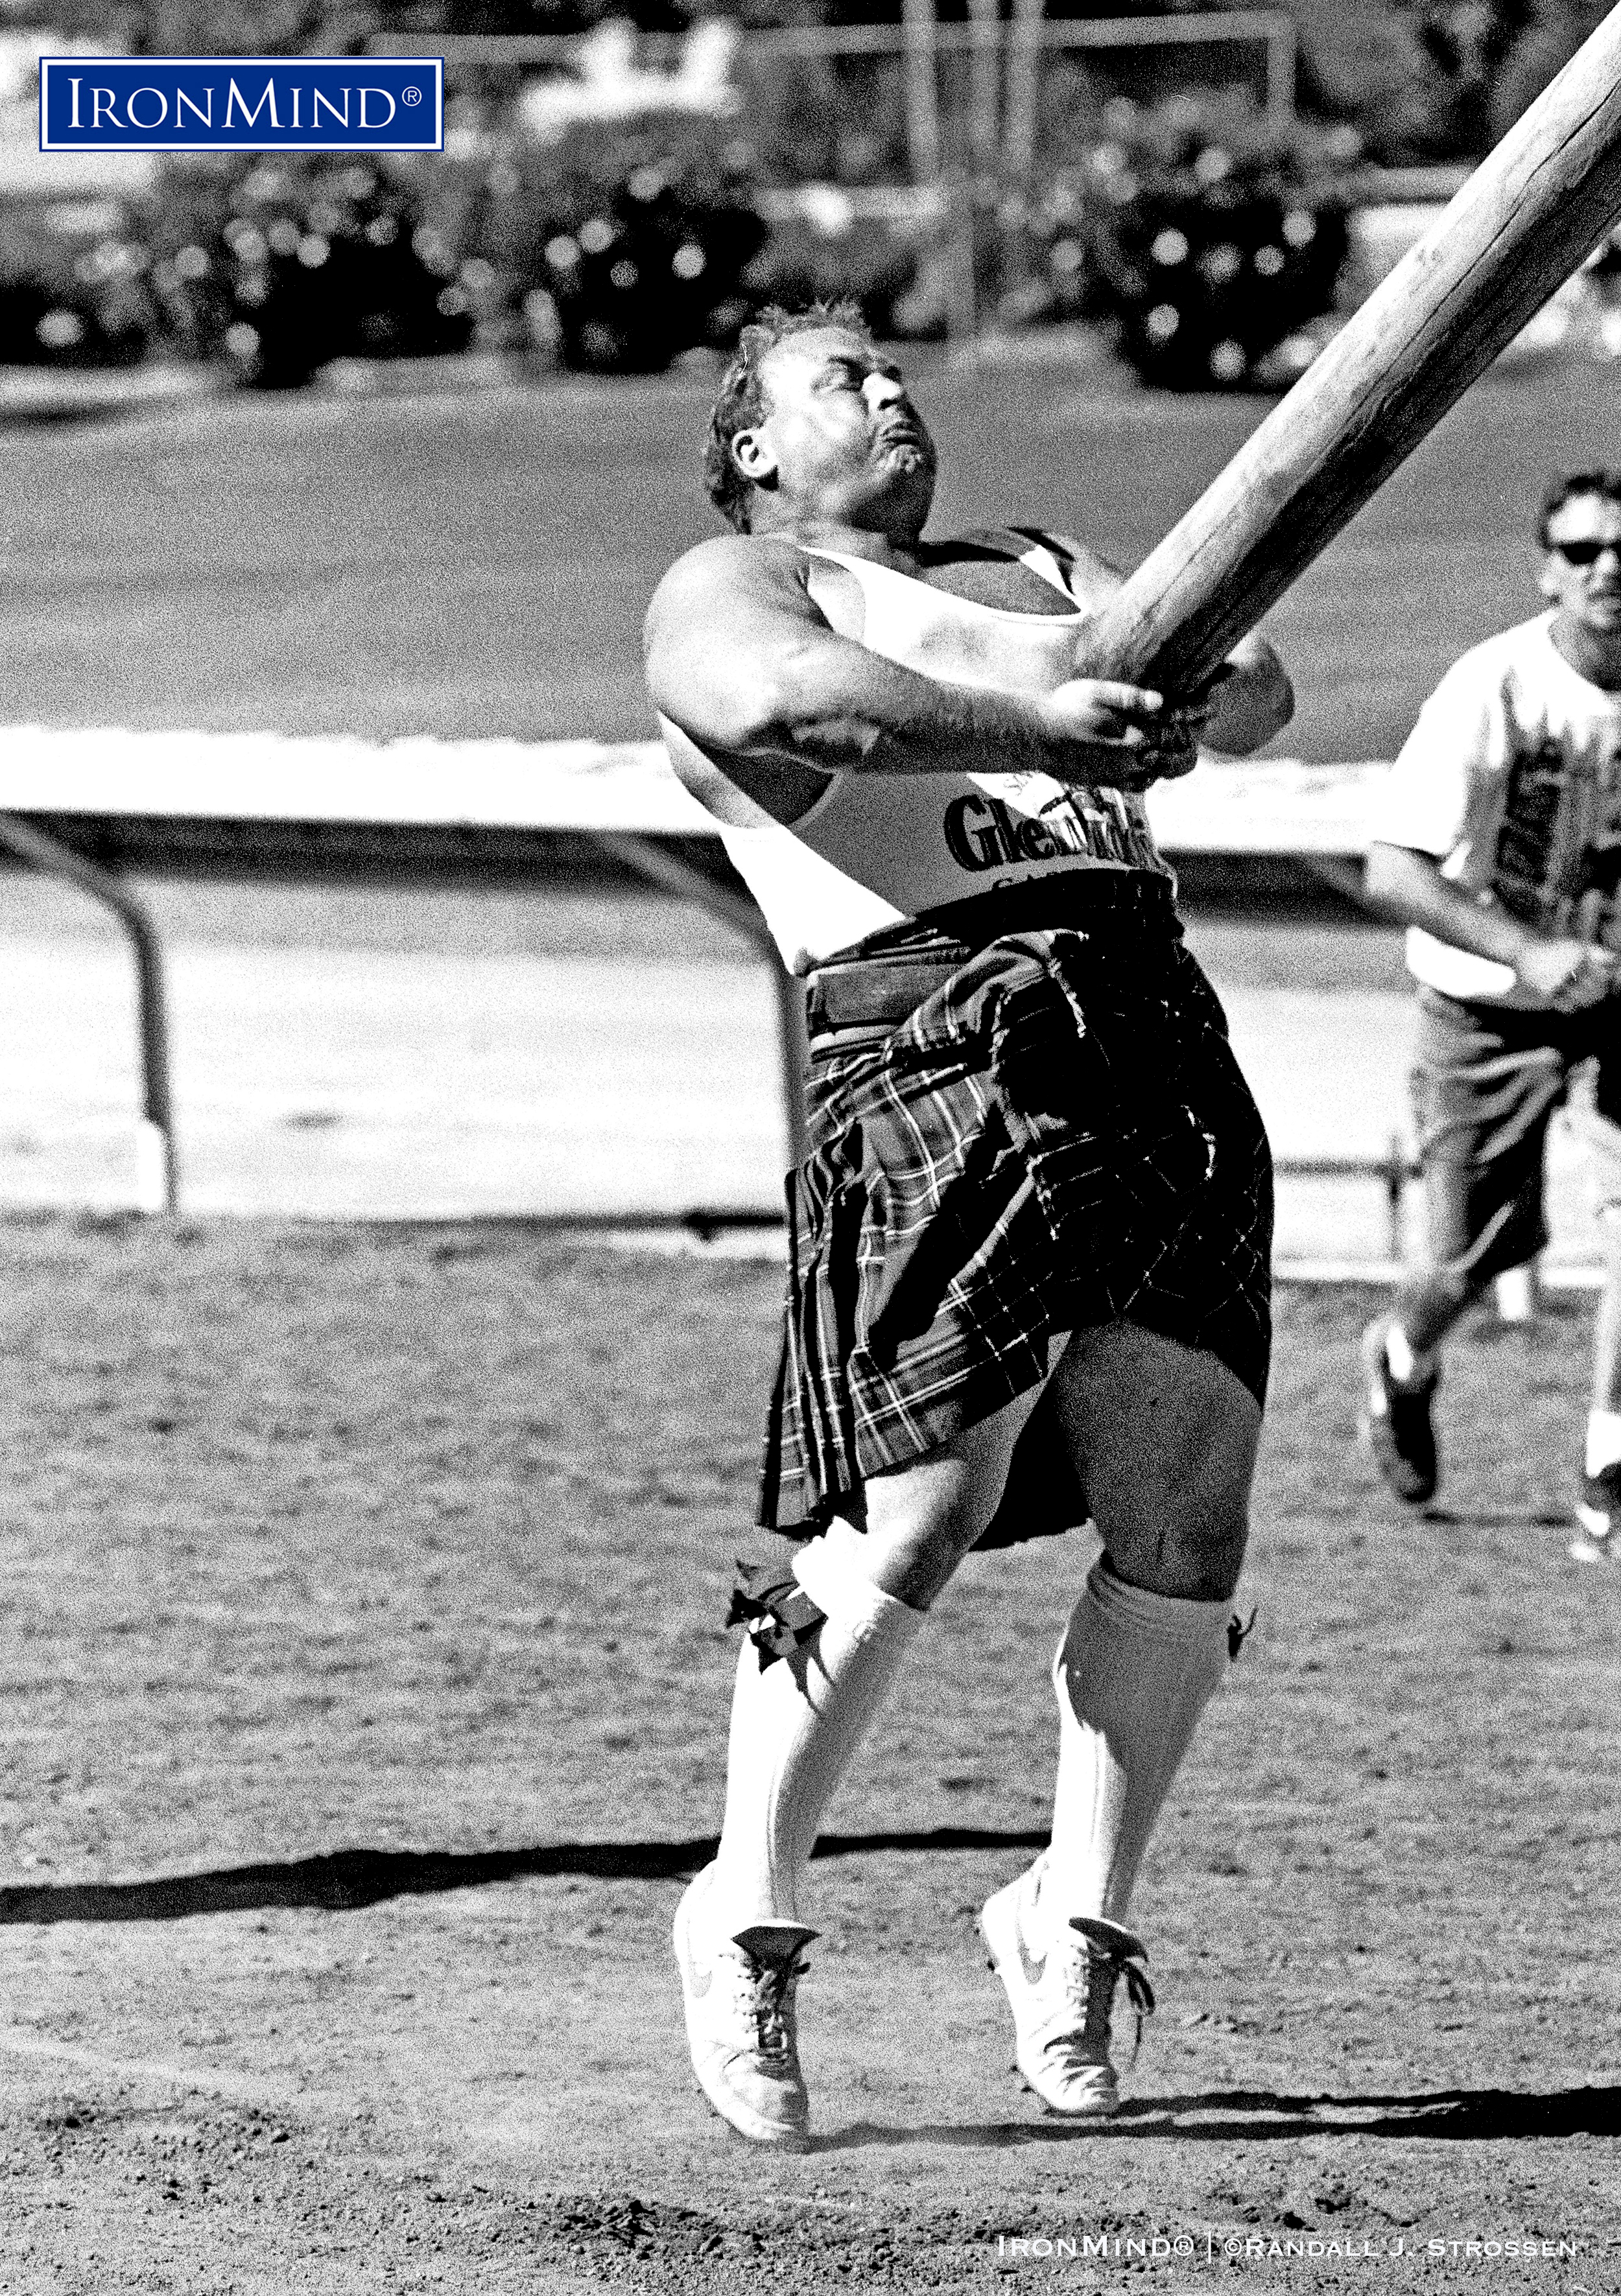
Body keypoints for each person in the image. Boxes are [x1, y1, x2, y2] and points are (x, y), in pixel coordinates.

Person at [643, 300, 1295, 2149]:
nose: (889, 390)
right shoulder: (738, 581)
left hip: (1149, 1031)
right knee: (912, 1510)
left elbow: (1255, 679)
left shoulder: (1034, 563)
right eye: (838, 378)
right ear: (754, 445)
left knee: (1187, 1512)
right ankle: (742, 1906)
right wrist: (1043, 708)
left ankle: (1067, 1919)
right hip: (933, 1031)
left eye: (893, 368)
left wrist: (1183, 691)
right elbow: (780, 706)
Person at [1362, 469, 1621, 1562]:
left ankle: (1608, 1467)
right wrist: (1530, 951)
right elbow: (1391, 869)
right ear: (1546, 572)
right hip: (1487, 1004)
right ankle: (1402, 1356)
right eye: (1581, 551)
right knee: (1466, 1259)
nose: (1607, 569)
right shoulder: (1495, 686)